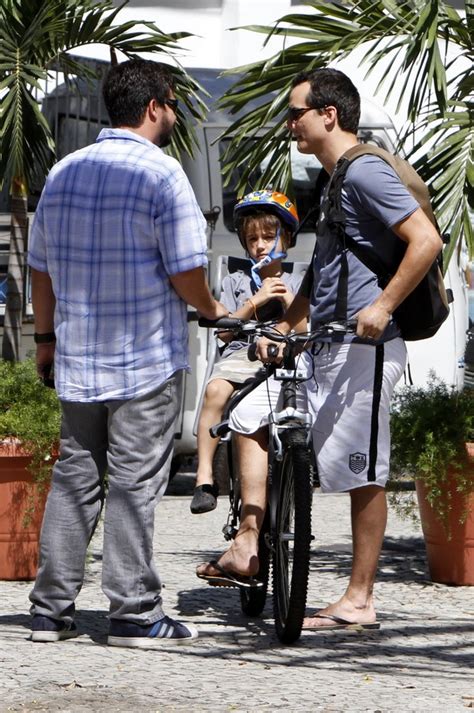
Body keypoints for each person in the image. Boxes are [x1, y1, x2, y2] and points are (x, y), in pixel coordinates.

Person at [197, 68, 443, 628]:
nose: (289, 124)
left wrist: (381, 307)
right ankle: (250, 539)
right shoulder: (336, 180)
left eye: (295, 113)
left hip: (365, 350)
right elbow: (323, 274)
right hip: (324, 344)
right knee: (248, 413)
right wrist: (287, 329)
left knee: (363, 472)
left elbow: (424, 241)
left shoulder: (365, 173)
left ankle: (359, 599)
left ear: (328, 115)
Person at [27, 58, 228, 648]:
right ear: (153, 107)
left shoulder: (64, 171)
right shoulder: (163, 176)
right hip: (142, 359)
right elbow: (186, 268)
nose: (172, 114)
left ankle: (48, 612)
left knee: (74, 480)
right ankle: (135, 614)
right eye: (170, 104)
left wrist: (45, 342)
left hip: (77, 357)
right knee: (134, 484)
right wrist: (213, 310)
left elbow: (40, 270)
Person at [190, 190, 302, 514]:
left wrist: (287, 301)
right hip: (243, 353)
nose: (260, 246)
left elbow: (306, 327)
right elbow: (224, 330)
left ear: (287, 239)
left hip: (286, 353)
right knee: (215, 390)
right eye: (252, 239)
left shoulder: (298, 280)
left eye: (268, 237)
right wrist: (256, 301)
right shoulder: (235, 280)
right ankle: (205, 476)